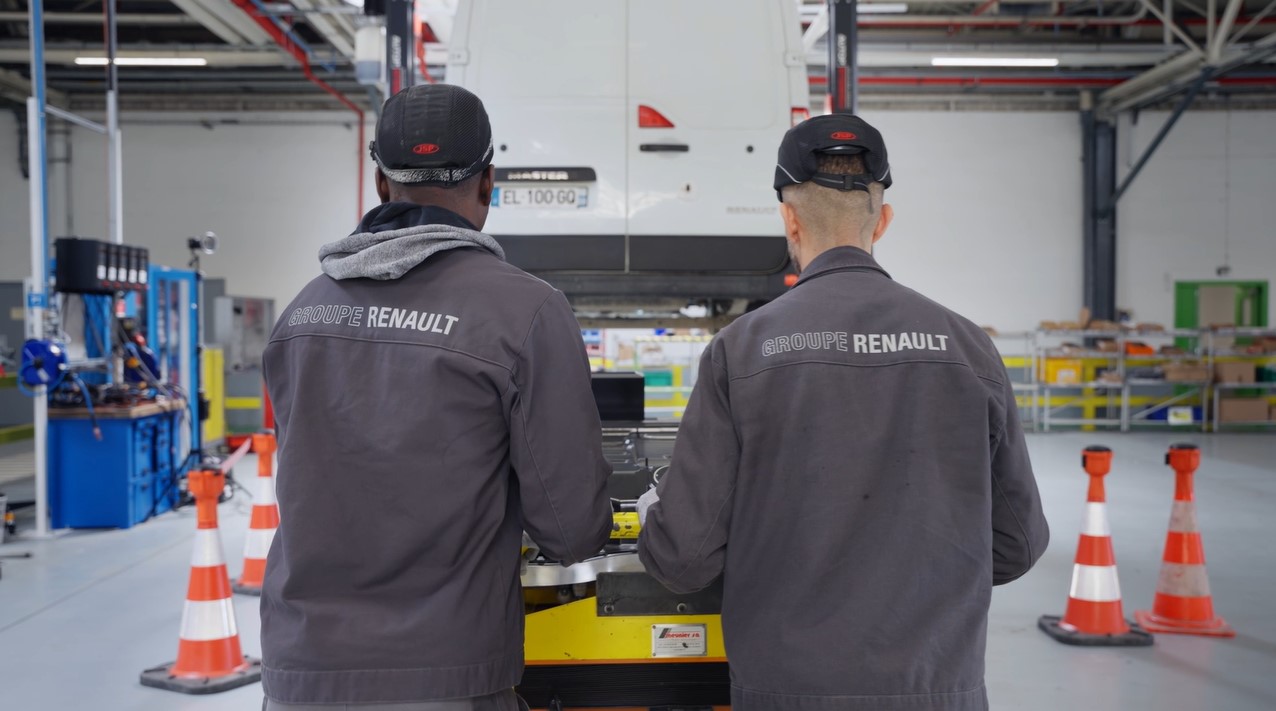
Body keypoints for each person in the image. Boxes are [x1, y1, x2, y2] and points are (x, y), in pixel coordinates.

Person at [636, 114, 1049, 711]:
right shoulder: (966, 345)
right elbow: (1017, 543)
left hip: (789, 689)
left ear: (789, 218)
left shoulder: (743, 350)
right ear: (882, 220)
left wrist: (656, 512)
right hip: (935, 688)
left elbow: (685, 557)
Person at [260, 84, 613, 711]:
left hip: (302, 674)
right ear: (488, 184)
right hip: (446, 676)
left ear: (378, 183)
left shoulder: (302, 315)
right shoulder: (526, 310)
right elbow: (571, 529)